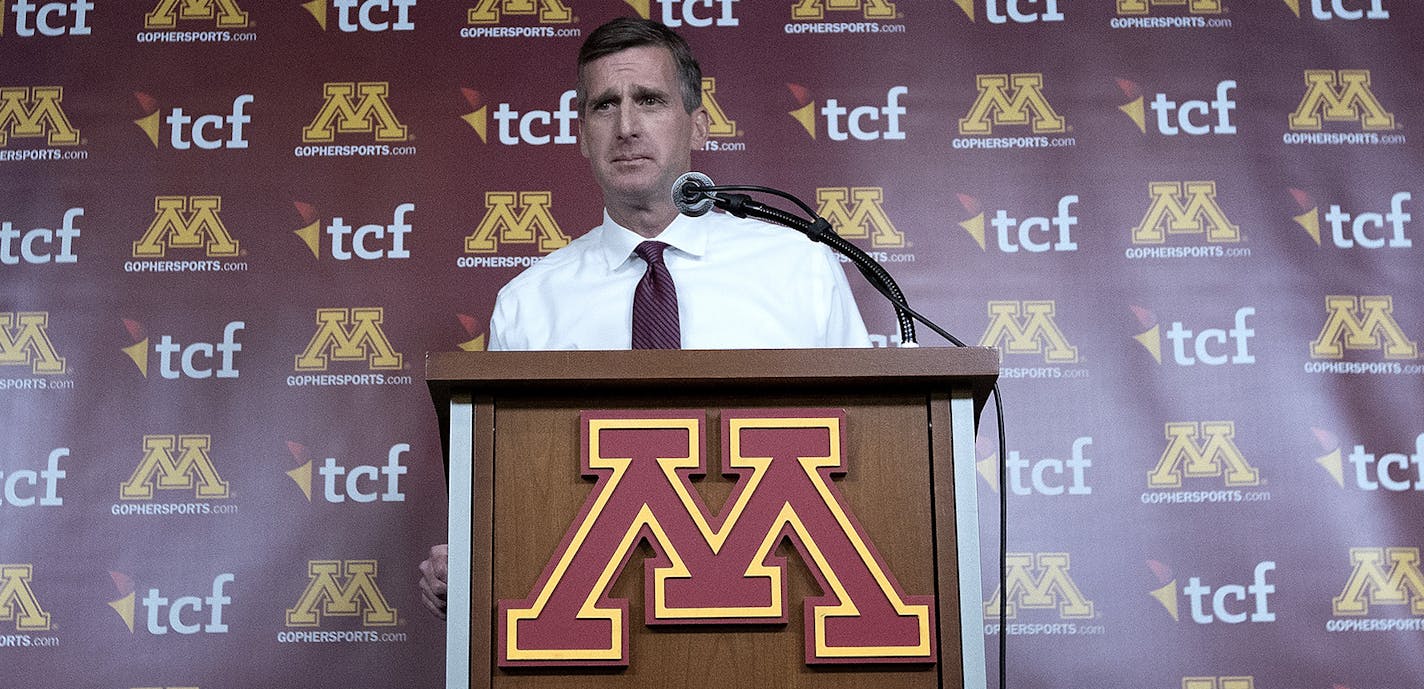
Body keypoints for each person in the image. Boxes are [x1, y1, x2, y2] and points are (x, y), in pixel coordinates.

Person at [418, 17, 870, 619]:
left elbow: (868, 458)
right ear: (582, 135)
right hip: (596, 619)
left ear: (699, 124)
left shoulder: (800, 268)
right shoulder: (530, 303)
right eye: (605, 106)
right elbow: (513, 500)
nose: (626, 126)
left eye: (649, 100)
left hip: (780, 604)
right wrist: (472, 568)